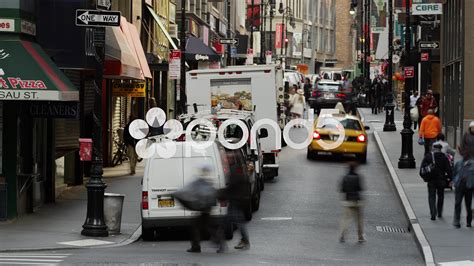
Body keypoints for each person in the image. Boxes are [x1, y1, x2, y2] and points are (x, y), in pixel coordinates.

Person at [187, 165, 226, 253]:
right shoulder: (206, 180)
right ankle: (197, 246)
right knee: (202, 227)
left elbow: (205, 193)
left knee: (204, 227)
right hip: (205, 208)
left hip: (205, 208)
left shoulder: (204, 181)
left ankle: (197, 246)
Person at [220, 157, 254, 251]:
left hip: (235, 201)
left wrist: (222, 193)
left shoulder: (234, 172)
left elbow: (232, 187)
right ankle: (243, 241)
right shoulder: (239, 171)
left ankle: (222, 245)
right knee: (236, 221)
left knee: (229, 222)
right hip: (238, 200)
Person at [420, 143, 452, 220]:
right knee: (441, 196)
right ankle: (440, 212)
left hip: (431, 180)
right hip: (441, 180)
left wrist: (425, 178)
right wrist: (451, 179)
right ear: (440, 149)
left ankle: (433, 213)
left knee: (431, 196)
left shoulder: (428, 156)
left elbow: (422, 169)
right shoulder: (444, 157)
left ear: (433, 148)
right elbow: (449, 170)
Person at [339, 161, 365, 243]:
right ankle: (360, 236)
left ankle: (343, 235)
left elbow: (342, 189)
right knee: (359, 220)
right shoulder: (357, 177)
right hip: (356, 200)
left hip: (348, 200)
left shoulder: (345, 177)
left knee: (346, 219)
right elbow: (360, 188)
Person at [452, 156, 474, 228]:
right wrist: (455, 181)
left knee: (468, 205)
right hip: (459, 186)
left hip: (469, 187)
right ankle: (457, 221)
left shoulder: (472, 164)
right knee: (457, 203)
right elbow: (454, 173)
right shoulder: (458, 163)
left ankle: (469, 221)